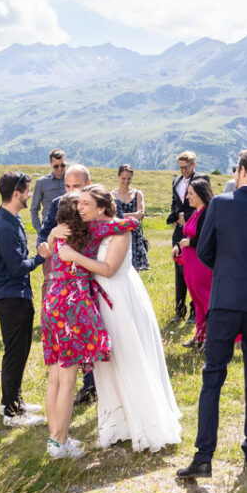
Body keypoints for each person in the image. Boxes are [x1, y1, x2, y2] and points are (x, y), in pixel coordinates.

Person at [177, 149, 247, 479]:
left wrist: (226, 274)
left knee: (213, 375)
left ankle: (203, 457)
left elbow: (205, 249)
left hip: (224, 300)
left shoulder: (220, 205)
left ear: (241, 171)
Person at [55, 185, 180, 453]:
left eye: (86, 204)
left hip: (120, 301)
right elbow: (54, 243)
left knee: (129, 358)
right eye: (79, 204)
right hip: (98, 303)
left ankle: (146, 425)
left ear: (102, 208)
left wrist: (75, 257)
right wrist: (52, 236)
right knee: (108, 366)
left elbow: (109, 269)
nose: (80, 209)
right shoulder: (91, 230)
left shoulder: (120, 230)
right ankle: (119, 427)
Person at [40, 194, 132, 458]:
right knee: (68, 379)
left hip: (51, 301)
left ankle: (54, 439)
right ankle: (61, 441)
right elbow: (120, 226)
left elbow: (49, 247)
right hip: (72, 305)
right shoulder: (88, 234)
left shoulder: (58, 235)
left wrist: (49, 236)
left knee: (55, 376)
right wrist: (131, 222)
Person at [0, 171, 49, 429]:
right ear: (16, 193)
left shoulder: (8, 217)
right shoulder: (3, 224)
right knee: (15, 354)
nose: (30, 194)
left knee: (17, 352)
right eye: (27, 191)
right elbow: (16, 267)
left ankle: (12, 401)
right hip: (12, 297)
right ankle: (12, 413)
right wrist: (41, 257)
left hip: (11, 295)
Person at [36, 164, 97, 405]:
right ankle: (87, 384)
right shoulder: (59, 204)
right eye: (68, 186)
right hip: (68, 285)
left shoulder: (99, 203)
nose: (71, 192)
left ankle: (94, 382)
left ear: (88, 185)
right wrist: (46, 241)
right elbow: (45, 235)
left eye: (77, 187)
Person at [173, 176, 215, 348]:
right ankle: (200, 336)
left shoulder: (207, 212)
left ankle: (211, 339)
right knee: (197, 301)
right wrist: (178, 245)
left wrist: (189, 243)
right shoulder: (196, 212)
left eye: (190, 194)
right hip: (191, 264)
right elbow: (188, 234)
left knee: (205, 300)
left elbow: (209, 239)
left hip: (201, 265)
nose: (187, 197)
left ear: (200, 194)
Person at [167, 151, 203, 321]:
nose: (183, 171)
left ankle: (194, 311)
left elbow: (203, 204)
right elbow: (175, 202)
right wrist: (175, 217)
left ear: (193, 165)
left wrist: (186, 218)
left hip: (194, 228)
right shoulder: (176, 180)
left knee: (194, 272)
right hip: (179, 230)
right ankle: (179, 311)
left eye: (186, 167)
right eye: (180, 168)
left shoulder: (202, 180)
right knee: (179, 270)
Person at [112, 164, 150, 271]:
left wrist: (121, 215)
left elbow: (140, 215)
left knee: (135, 269)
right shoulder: (112, 195)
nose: (126, 181)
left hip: (135, 235)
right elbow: (111, 216)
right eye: (123, 178)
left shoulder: (137, 193)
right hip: (118, 234)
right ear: (118, 177)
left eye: (129, 178)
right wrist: (133, 215)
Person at [29, 148, 68, 240]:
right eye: (56, 166)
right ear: (50, 164)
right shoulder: (41, 183)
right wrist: (40, 231)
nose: (60, 169)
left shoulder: (72, 180)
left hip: (70, 228)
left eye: (63, 165)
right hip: (49, 229)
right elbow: (34, 209)